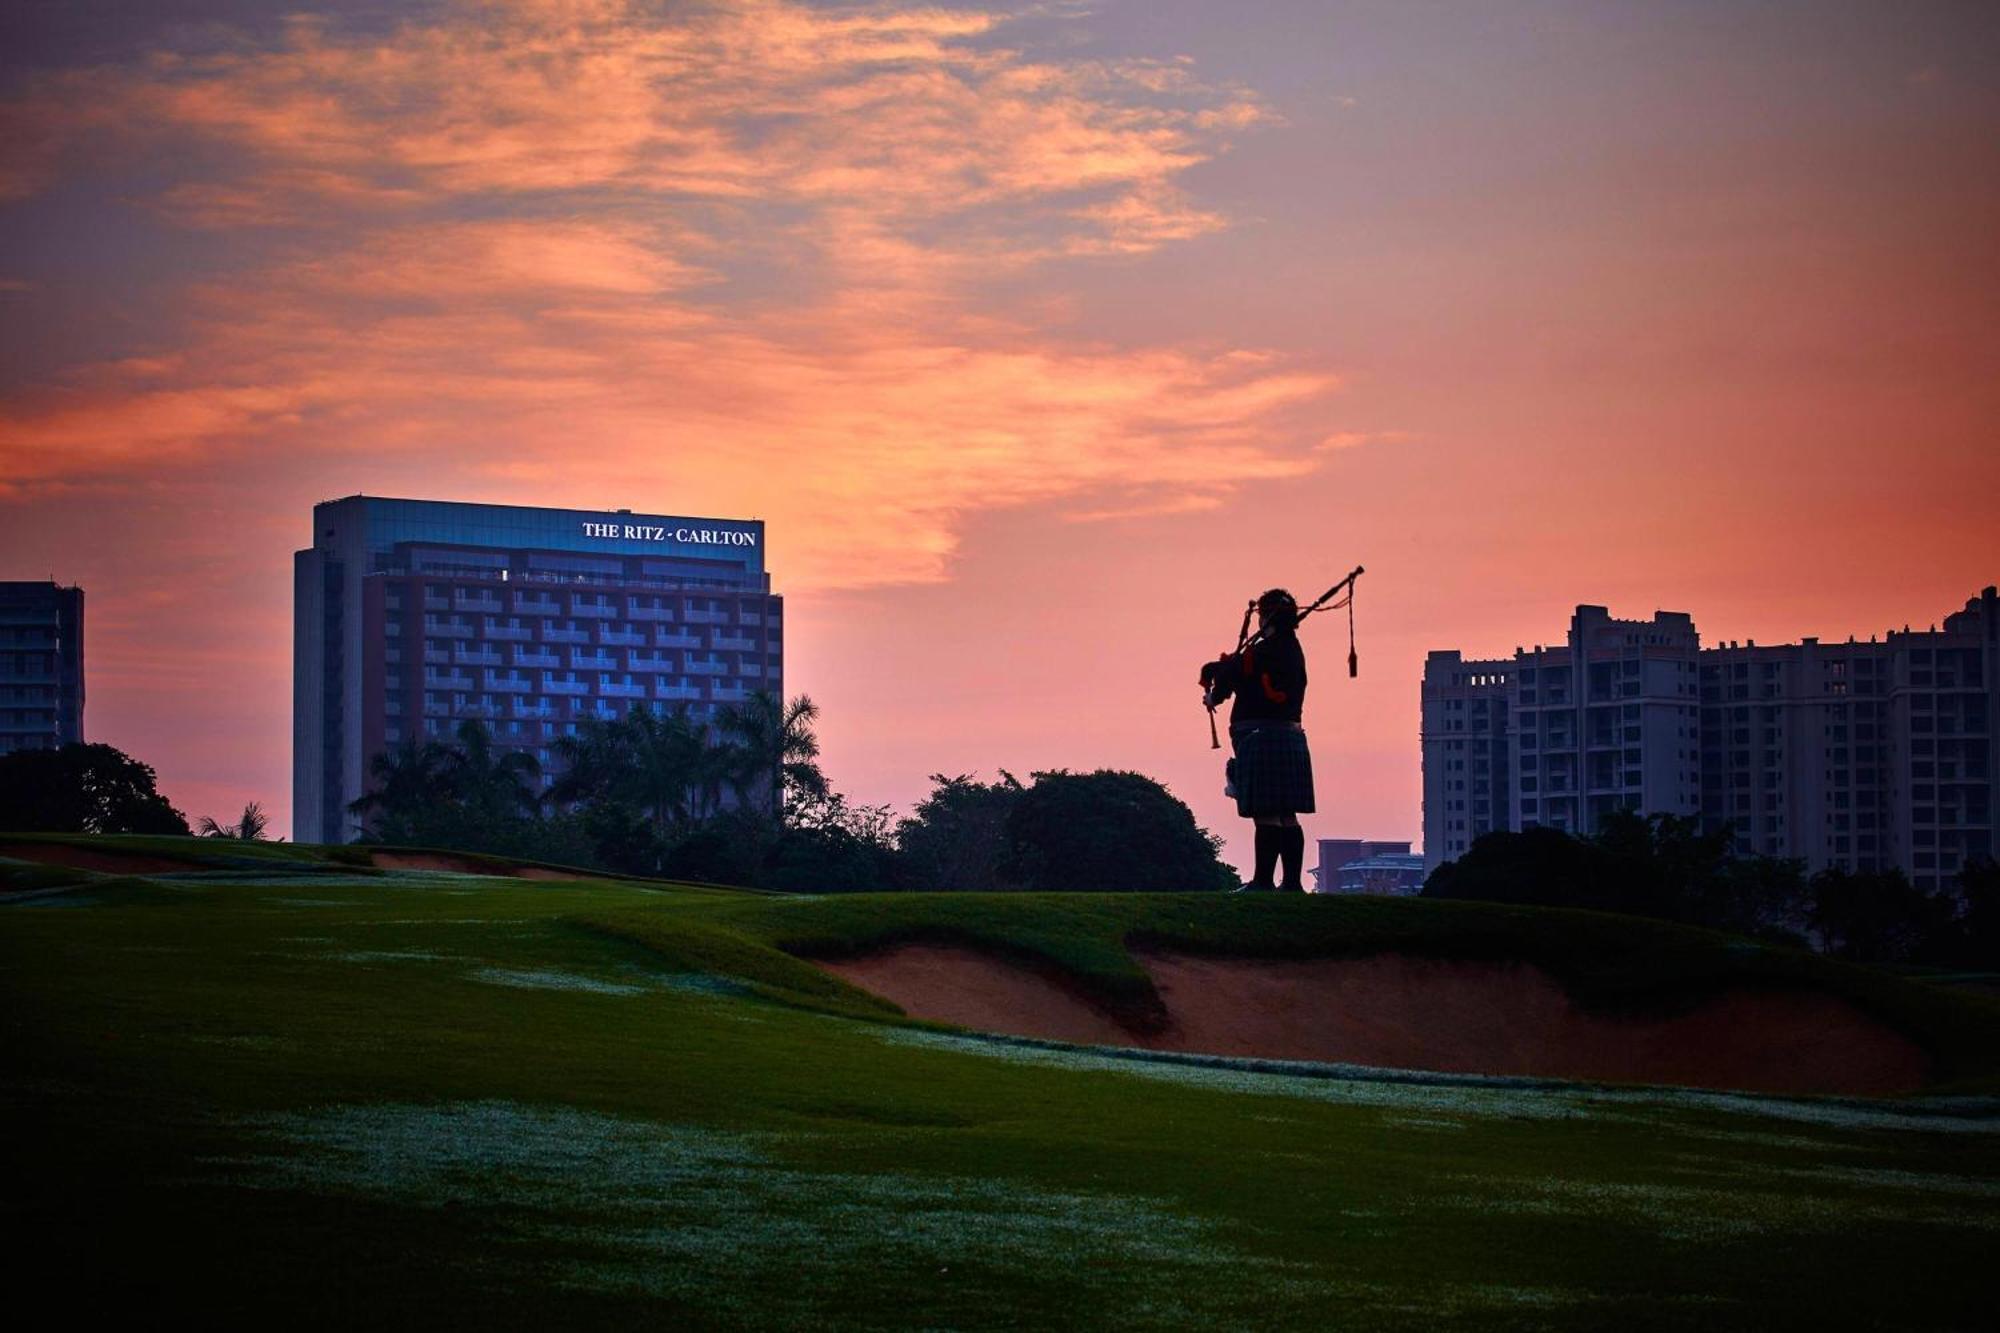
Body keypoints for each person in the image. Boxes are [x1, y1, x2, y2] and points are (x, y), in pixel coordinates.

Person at [1200, 589, 1314, 892]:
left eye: (1262, 614)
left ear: (1267, 617)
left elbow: (1234, 672)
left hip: (1259, 738)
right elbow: (1237, 668)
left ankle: (1263, 881)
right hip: (1289, 736)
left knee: (1266, 811)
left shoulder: (1264, 652)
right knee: (1286, 813)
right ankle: (1291, 884)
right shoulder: (1291, 649)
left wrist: (1214, 688)